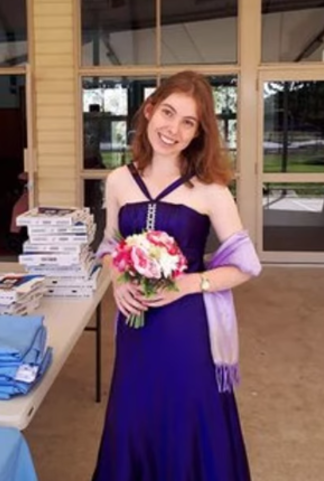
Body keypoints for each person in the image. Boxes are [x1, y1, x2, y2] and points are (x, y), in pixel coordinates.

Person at [92, 71, 261, 481]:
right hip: (135, 322)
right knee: (134, 415)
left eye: (188, 122)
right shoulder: (118, 181)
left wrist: (189, 283)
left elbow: (246, 266)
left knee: (187, 416)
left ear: (199, 132)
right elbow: (109, 245)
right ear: (149, 110)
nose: (173, 129)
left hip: (188, 326)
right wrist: (119, 280)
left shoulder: (211, 190)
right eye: (168, 113)